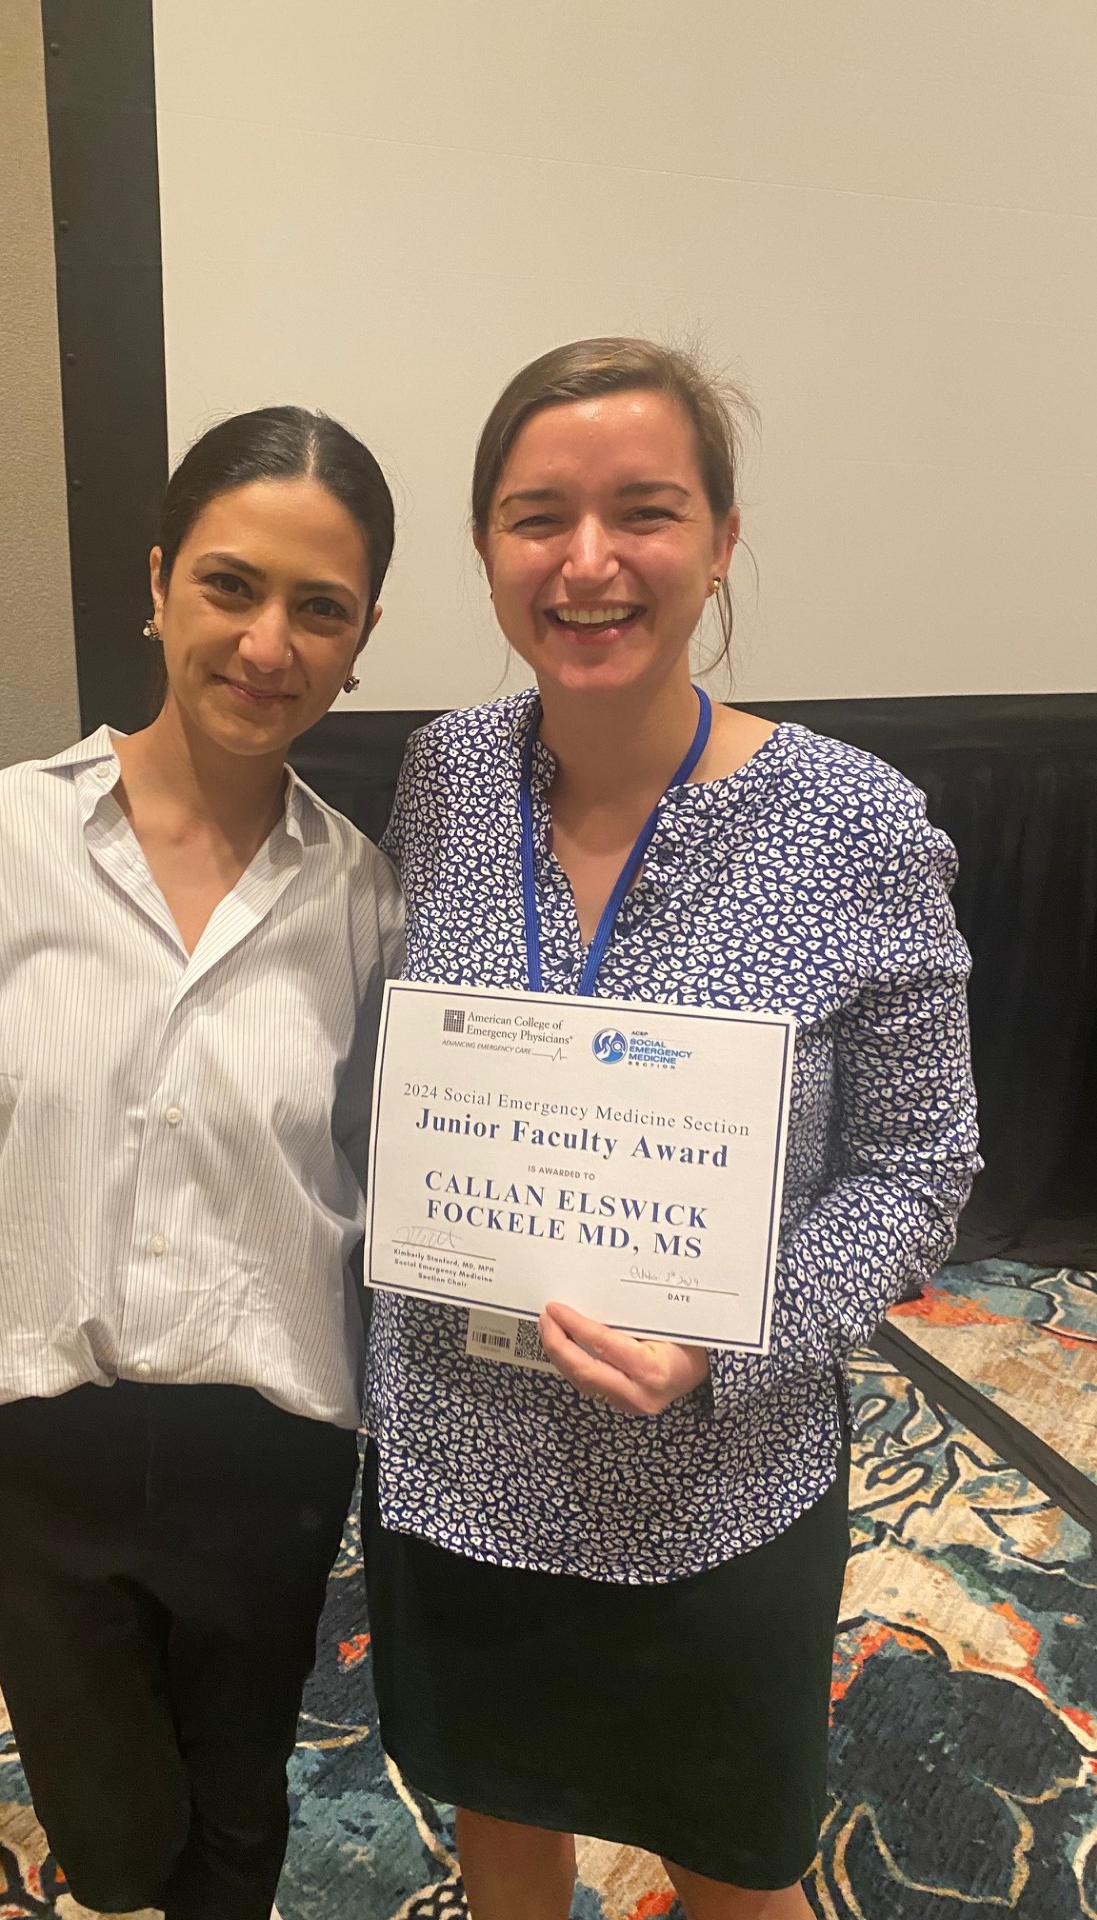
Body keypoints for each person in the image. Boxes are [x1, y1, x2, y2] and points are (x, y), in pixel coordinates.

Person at [361, 338, 981, 1920]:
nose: (586, 564)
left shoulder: (854, 823)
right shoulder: (439, 777)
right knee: (502, 1816)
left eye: (642, 511)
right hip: (461, 1456)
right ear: (488, 549)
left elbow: (919, 1165)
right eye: (533, 516)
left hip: (716, 1475)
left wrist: (732, 1336)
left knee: (733, 1857)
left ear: (719, 540)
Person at [0, 406, 403, 1920]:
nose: (267, 643)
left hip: (271, 1452)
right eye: (230, 585)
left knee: (237, 1816)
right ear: (156, 583)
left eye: (319, 609)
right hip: (32, 1455)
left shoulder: (367, 906)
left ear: (360, 643)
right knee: (113, 1834)